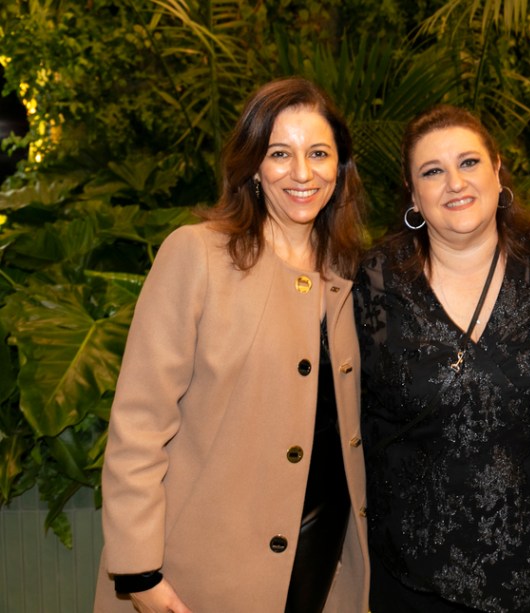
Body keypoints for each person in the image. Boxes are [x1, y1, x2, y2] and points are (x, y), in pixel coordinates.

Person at [94, 77, 370, 613]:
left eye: (319, 153)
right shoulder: (196, 256)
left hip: (325, 568)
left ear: (341, 168)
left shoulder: (356, 275)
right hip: (199, 572)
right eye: (279, 154)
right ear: (253, 166)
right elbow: (138, 424)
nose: (302, 173)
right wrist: (140, 572)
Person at [353, 104, 530, 613]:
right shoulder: (377, 279)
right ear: (413, 195)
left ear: (497, 170)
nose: (455, 183)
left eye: (469, 163)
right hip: (414, 581)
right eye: (432, 171)